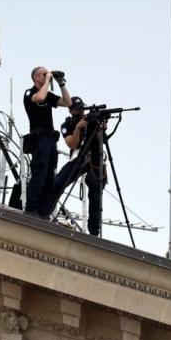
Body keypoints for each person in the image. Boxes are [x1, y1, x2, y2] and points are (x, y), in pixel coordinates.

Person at [21, 66, 70, 219]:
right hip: (39, 140)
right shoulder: (30, 93)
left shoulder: (47, 94)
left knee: (49, 176)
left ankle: (43, 211)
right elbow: (40, 98)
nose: (47, 75)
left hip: (50, 140)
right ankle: (32, 208)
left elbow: (68, 102)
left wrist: (61, 84)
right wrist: (48, 80)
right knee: (39, 173)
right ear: (36, 77)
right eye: (43, 74)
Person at [53, 97, 106, 236]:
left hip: (95, 158)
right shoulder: (68, 124)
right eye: (77, 109)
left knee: (95, 194)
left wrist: (101, 128)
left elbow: (102, 141)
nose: (80, 112)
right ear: (71, 110)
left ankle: (94, 232)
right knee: (58, 182)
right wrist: (78, 127)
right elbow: (72, 144)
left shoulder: (91, 120)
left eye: (82, 109)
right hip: (79, 157)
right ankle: (46, 212)